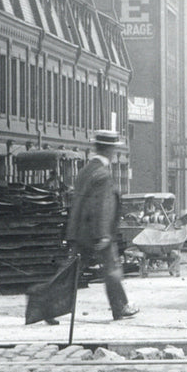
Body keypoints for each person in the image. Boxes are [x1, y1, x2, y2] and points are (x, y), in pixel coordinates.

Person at [64, 129, 137, 320]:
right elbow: (104, 206)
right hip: (98, 233)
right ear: (110, 150)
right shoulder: (103, 174)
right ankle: (120, 307)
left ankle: (48, 304)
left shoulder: (84, 171)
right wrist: (104, 234)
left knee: (70, 272)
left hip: (79, 231)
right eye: (113, 148)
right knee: (112, 270)